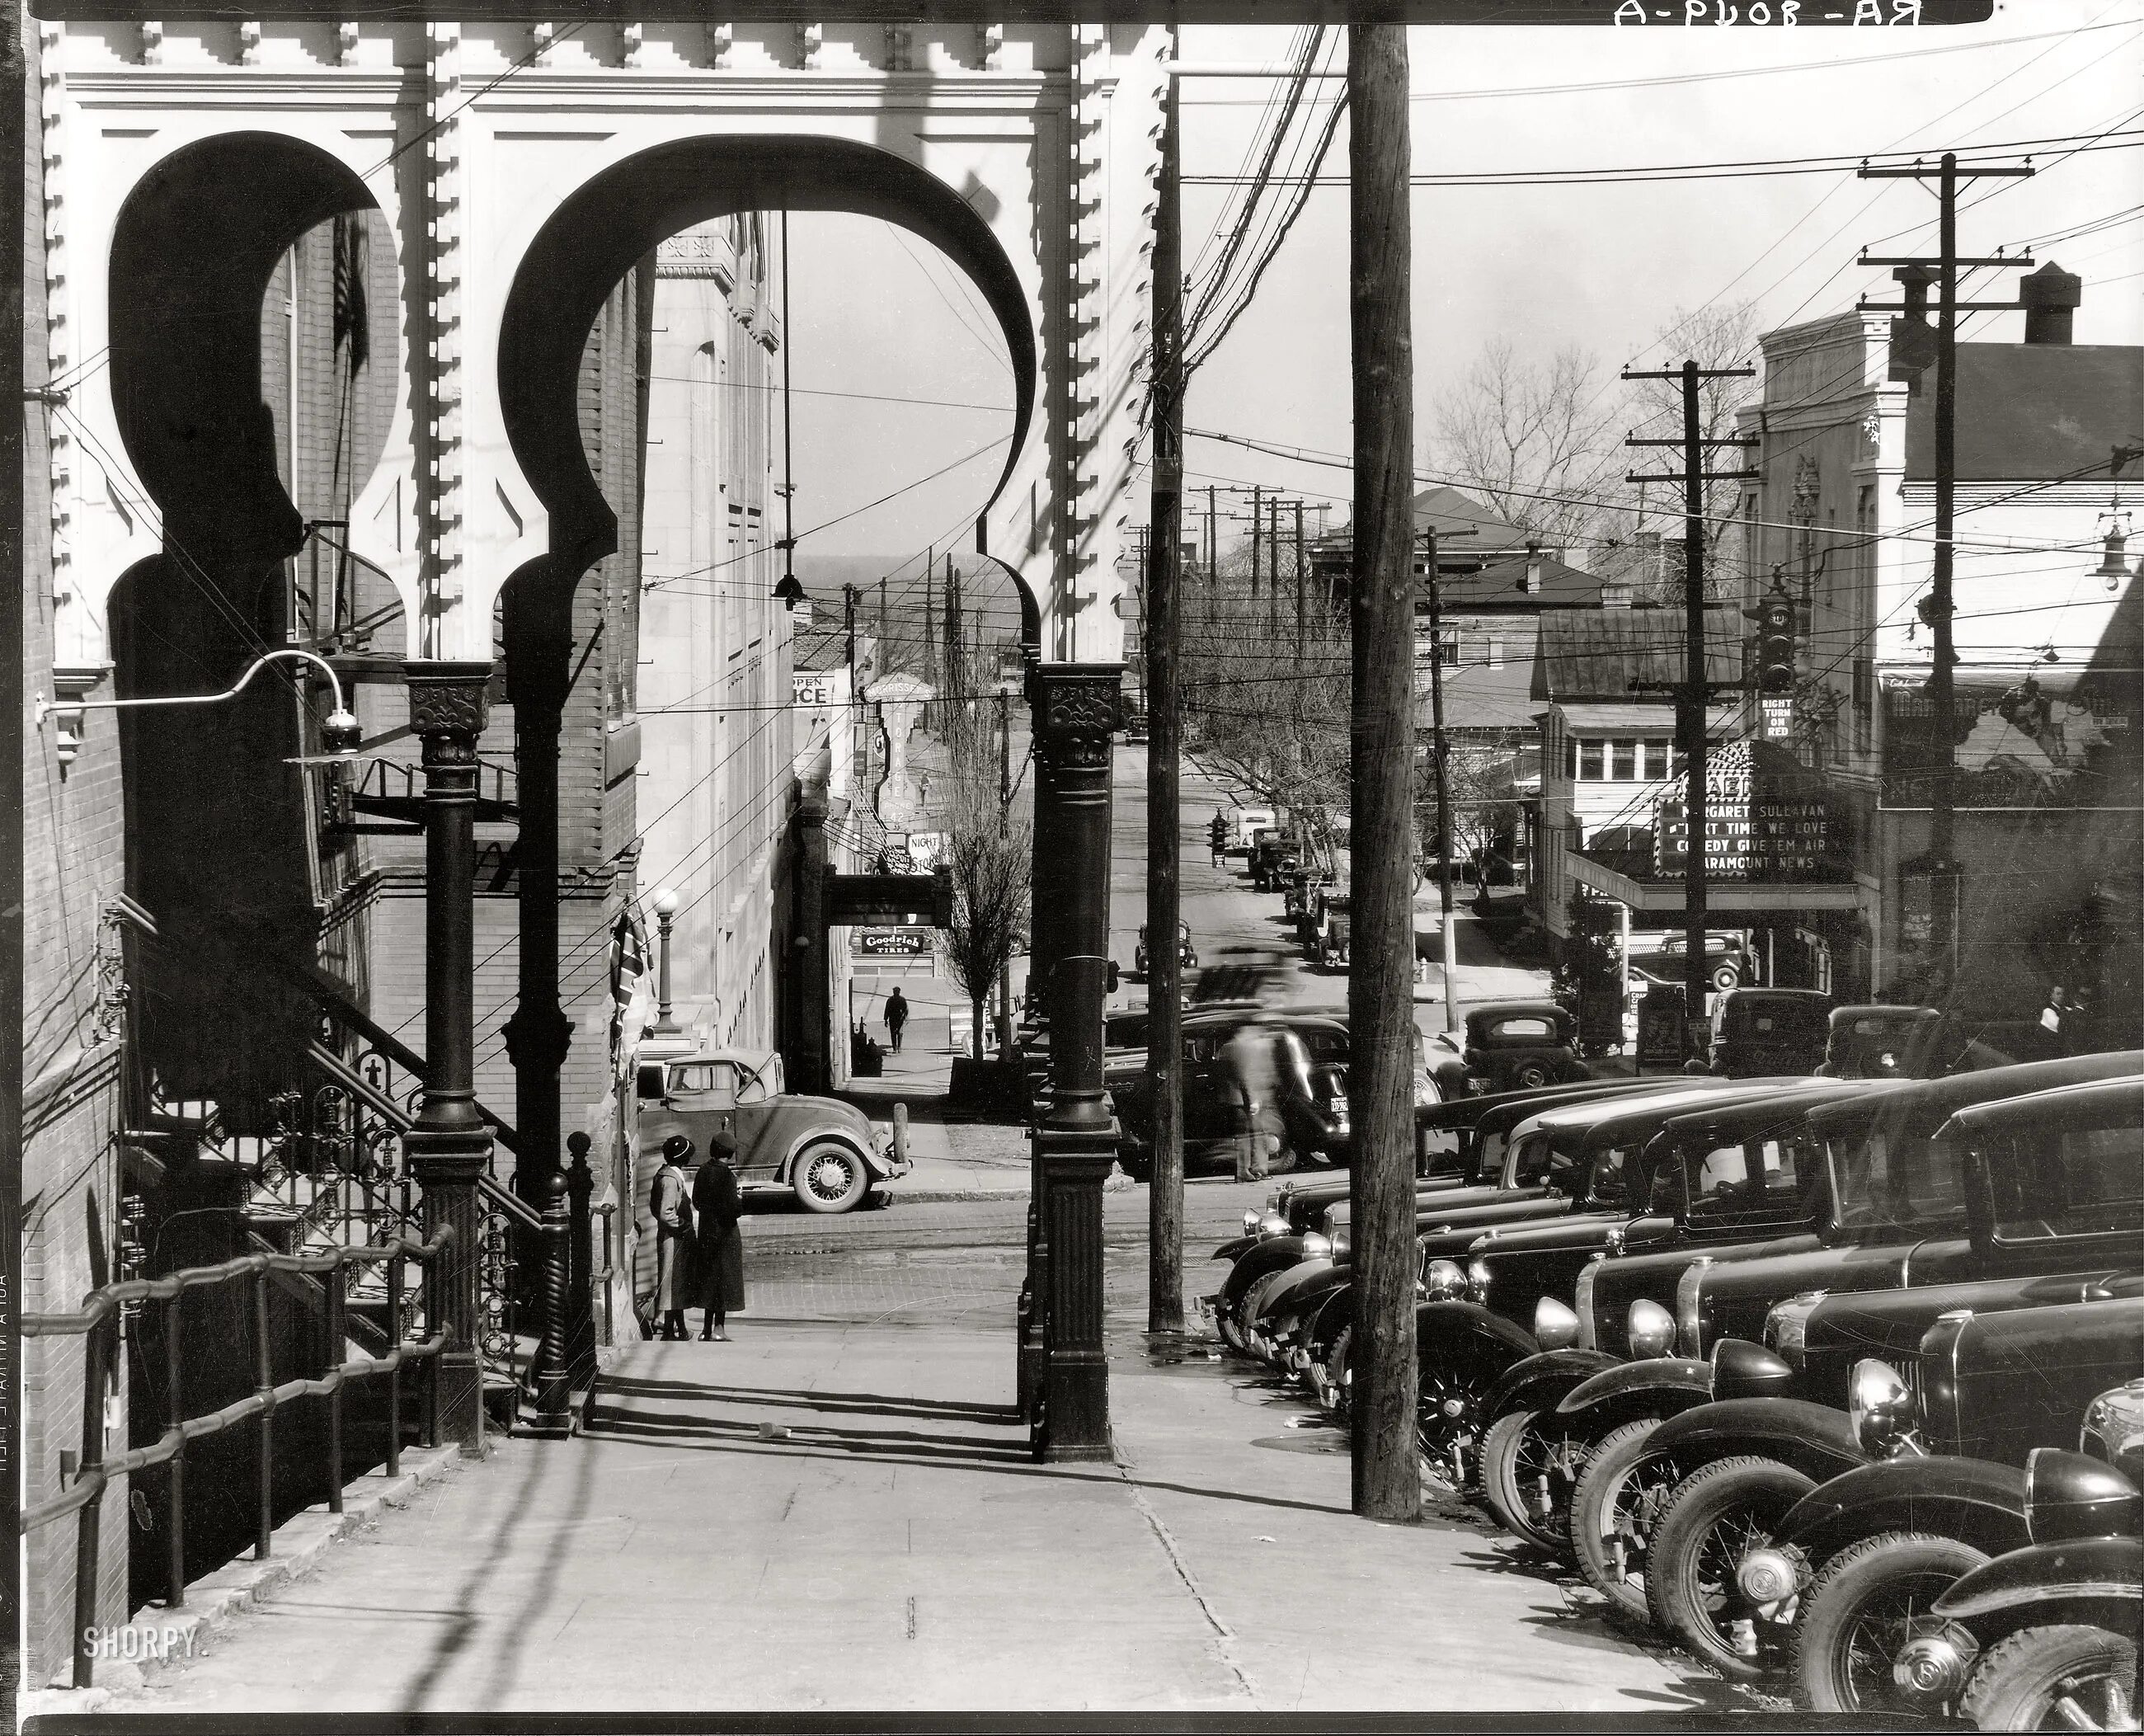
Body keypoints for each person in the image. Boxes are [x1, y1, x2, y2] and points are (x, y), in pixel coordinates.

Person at [690, 1146, 746, 1340]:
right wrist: (739, 1198)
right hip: (726, 1234)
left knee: (709, 1279)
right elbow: (734, 1209)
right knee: (724, 1281)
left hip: (706, 1231)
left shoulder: (703, 1171)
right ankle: (718, 1329)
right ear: (730, 1153)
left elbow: (696, 1201)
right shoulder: (728, 1176)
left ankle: (706, 1329)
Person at [1224, 1011, 1286, 1182]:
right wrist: (1252, 1099)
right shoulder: (1246, 1045)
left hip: (1251, 1096)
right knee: (1250, 1135)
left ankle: (1254, 1169)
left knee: (1254, 1134)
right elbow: (1247, 1074)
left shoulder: (1238, 1044)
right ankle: (1248, 1171)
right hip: (1249, 1097)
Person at [650, 1134, 695, 1342]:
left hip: (670, 1236)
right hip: (674, 1238)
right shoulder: (670, 1180)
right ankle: (673, 1330)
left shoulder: (663, 1174)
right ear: (683, 1159)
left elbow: (654, 1208)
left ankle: (676, 1329)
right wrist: (684, 1227)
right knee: (673, 1285)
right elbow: (665, 1212)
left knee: (674, 1285)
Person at [885, 986, 909, 1053]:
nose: (896, 993)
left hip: (900, 1019)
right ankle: (894, 1048)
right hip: (892, 1019)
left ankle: (899, 1047)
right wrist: (886, 1020)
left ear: (899, 992)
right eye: (895, 992)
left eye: (897, 992)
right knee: (893, 1033)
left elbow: (906, 1010)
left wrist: (905, 1017)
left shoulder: (902, 1000)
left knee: (900, 1033)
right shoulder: (890, 1000)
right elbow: (887, 1010)